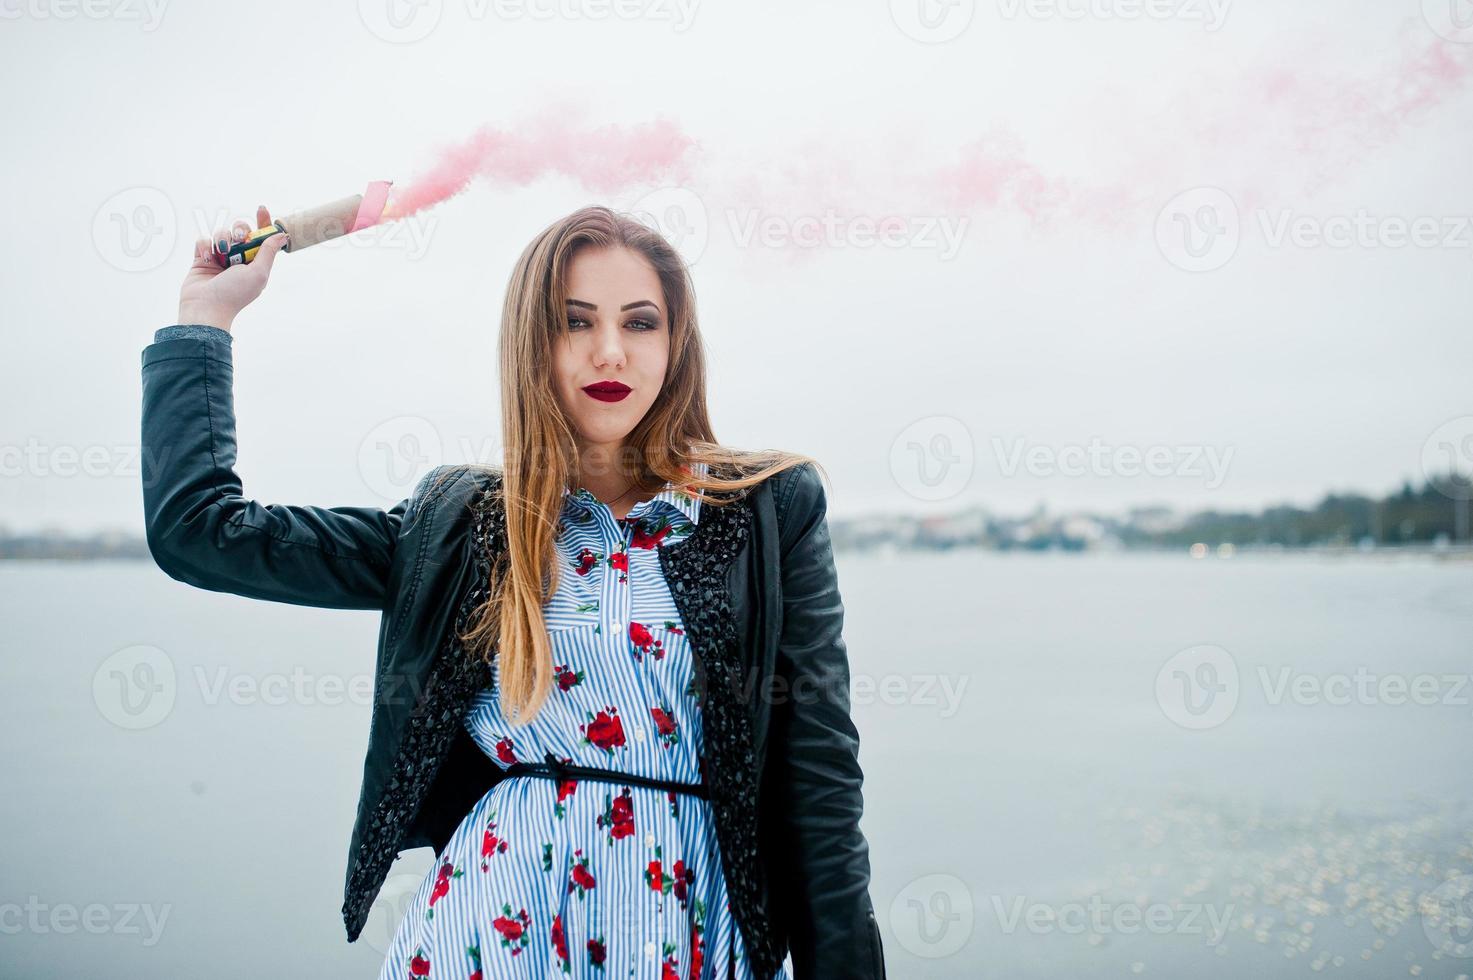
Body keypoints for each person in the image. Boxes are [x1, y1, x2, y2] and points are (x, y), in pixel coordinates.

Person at [141, 205, 885, 978]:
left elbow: (820, 787)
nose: (609, 352)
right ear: (532, 342)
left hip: (686, 929)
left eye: (639, 323)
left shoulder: (768, 508)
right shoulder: (460, 525)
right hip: (489, 929)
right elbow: (200, 533)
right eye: (574, 322)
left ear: (675, 345)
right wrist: (205, 320)